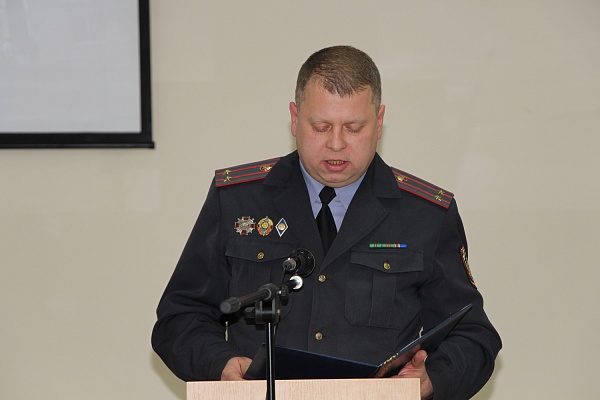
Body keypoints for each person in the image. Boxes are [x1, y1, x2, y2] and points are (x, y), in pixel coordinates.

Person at [152, 45, 501, 399]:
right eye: (321, 127)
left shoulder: (425, 215)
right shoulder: (237, 200)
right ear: (294, 118)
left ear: (379, 122)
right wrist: (220, 363)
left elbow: (474, 336)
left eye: (353, 127)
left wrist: (430, 379)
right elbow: (179, 318)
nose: (336, 144)